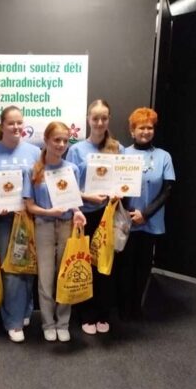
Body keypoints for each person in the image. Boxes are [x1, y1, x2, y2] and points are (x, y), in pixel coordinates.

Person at [0, 106, 40, 343]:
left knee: (29, 267)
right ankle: (13, 321)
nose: (16, 127)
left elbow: (39, 184)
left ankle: (25, 310)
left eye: (19, 122)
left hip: (30, 218)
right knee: (12, 269)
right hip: (5, 220)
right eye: (11, 123)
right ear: (2, 125)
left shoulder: (35, 152)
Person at [24, 121, 86, 343]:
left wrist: (77, 212)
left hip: (67, 226)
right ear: (46, 140)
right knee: (46, 278)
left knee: (65, 274)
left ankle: (63, 323)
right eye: (56, 140)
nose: (61, 144)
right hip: (44, 226)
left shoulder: (72, 169)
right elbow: (29, 206)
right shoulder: (34, 170)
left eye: (65, 140)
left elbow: (73, 200)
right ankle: (48, 323)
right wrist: (48, 211)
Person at [66, 99, 123, 335]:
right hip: (84, 216)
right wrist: (87, 196)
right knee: (84, 265)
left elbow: (123, 182)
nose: (100, 122)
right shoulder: (76, 150)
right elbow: (68, 187)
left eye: (104, 118)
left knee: (105, 265)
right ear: (88, 119)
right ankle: (85, 314)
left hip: (107, 216)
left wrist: (120, 192)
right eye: (95, 118)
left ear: (109, 119)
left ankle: (103, 313)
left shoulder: (117, 148)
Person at [117, 107, 175, 320]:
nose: (146, 131)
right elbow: (117, 186)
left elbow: (167, 190)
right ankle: (123, 308)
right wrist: (131, 213)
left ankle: (136, 306)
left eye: (149, 128)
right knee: (125, 266)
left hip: (150, 221)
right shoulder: (123, 154)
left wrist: (146, 214)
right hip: (127, 220)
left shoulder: (163, 156)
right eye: (141, 128)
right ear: (132, 131)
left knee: (143, 266)